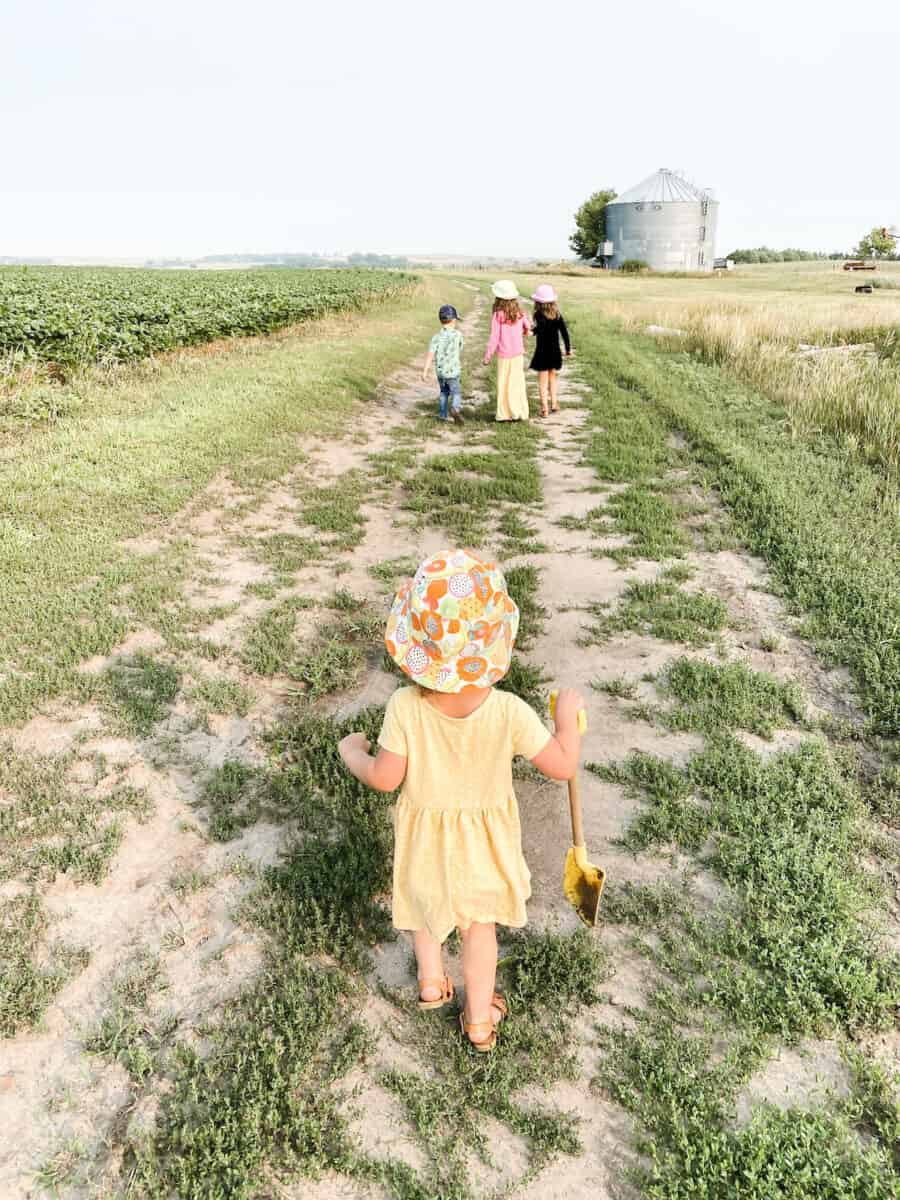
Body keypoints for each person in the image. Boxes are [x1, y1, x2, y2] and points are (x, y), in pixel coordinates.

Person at [338, 549, 584, 1052]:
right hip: (485, 844)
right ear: (492, 645)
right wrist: (567, 723)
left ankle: (431, 982)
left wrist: (351, 754)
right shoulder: (509, 711)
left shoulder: (404, 708)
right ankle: (478, 1020)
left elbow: (385, 779)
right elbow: (563, 766)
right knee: (479, 928)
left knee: (426, 907)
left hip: (427, 838)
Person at [483, 281, 531, 422]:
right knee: (517, 383)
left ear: (498, 298)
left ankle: (505, 414)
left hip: (504, 356)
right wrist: (522, 331)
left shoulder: (498, 315)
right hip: (518, 355)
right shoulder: (519, 313)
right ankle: (519, 412)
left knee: (503, 383)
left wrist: (488, 356)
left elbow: (494, 338)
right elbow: (528, 328)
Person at [529, 285, 571, 417]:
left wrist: (530, 331)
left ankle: (544, 409)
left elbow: (539, 329)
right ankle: (554, 403)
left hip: (542, 353)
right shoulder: (557, 315)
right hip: (554, 352)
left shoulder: (538, 315)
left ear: (538, 302)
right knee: (552, 378)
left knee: (542, 382)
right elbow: (564, 333)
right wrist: (568, 349)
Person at [423, 304, 465, 425]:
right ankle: (455, 409)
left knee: (443, 393)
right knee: (456, 392)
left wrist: (425, 372)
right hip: (453, 371)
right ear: (453, 320)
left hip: (441, 372)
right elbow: (460, 348)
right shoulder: (458, 335)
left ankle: (442, 415)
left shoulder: (436, 337)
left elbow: (430, 355)